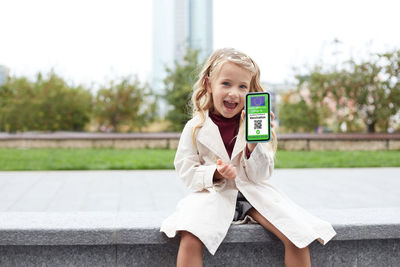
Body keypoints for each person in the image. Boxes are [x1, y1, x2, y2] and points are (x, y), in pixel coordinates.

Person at [160, 48, 336, 267]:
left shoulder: (254, 125)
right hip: (214, 194)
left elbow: (262, 174)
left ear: (251, 90)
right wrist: (215, 172)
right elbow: (185, 171)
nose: (234, 93)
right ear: (208, 84)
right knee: (190, 237)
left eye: (242, 86)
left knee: (297, 237)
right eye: (226, 83)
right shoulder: (195, 127)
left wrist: (253, 147)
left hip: (252, 195)